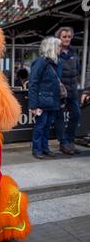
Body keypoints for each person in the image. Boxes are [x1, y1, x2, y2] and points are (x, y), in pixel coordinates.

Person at [29, 37, 62, 159]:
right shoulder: (41, 62)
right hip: (42, 102)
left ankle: (44, 148)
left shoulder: (56, 62)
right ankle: (37, 149)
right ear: (51, 47)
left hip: (52, 101)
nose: (60, 48)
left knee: (47, 126)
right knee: (40, 126)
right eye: (58, 46)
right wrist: (33, 105)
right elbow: (33, 83)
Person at [54, 27, 81, 155]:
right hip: (60, 93)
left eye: (69, 37)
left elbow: (78, 70)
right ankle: (63, 143)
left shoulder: (73, 52)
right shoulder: (54, 53)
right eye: (64, 36)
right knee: (59, 118)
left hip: (73, 92)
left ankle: (70, 142)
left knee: (76, 115)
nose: (67, 39)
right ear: (59, 38)